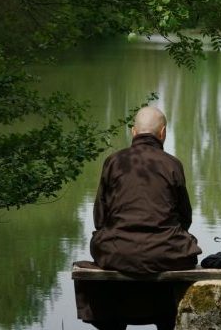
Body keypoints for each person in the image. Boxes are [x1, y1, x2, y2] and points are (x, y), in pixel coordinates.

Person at [77, 106, 202, 330]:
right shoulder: (172, 164)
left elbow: (99, 218)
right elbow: (185, 218)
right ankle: (166, 319)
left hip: (117, 251)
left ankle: (113, 321)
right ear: (163, 133)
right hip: (166, 251)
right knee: (184, 248)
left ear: (133, 132)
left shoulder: (114, 162)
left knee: (102, 245)